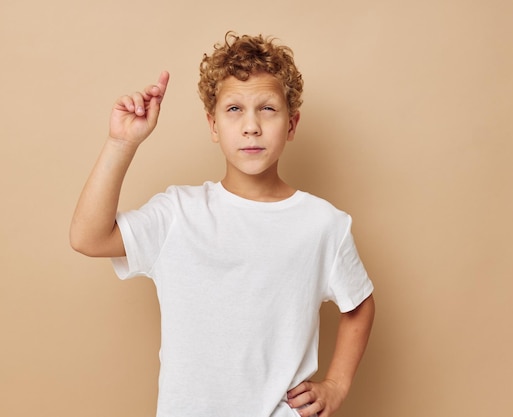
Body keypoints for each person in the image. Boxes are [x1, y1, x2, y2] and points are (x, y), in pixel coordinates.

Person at [70, 32, 375, 417]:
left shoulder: (323, 224)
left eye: (267, 109)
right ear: (212, 125)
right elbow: (88, 238)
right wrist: (121, 143)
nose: (251, 126)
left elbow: (360, 304)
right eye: (234, 110)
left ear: (292, 124)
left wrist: (337, 384)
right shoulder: (178, 214)